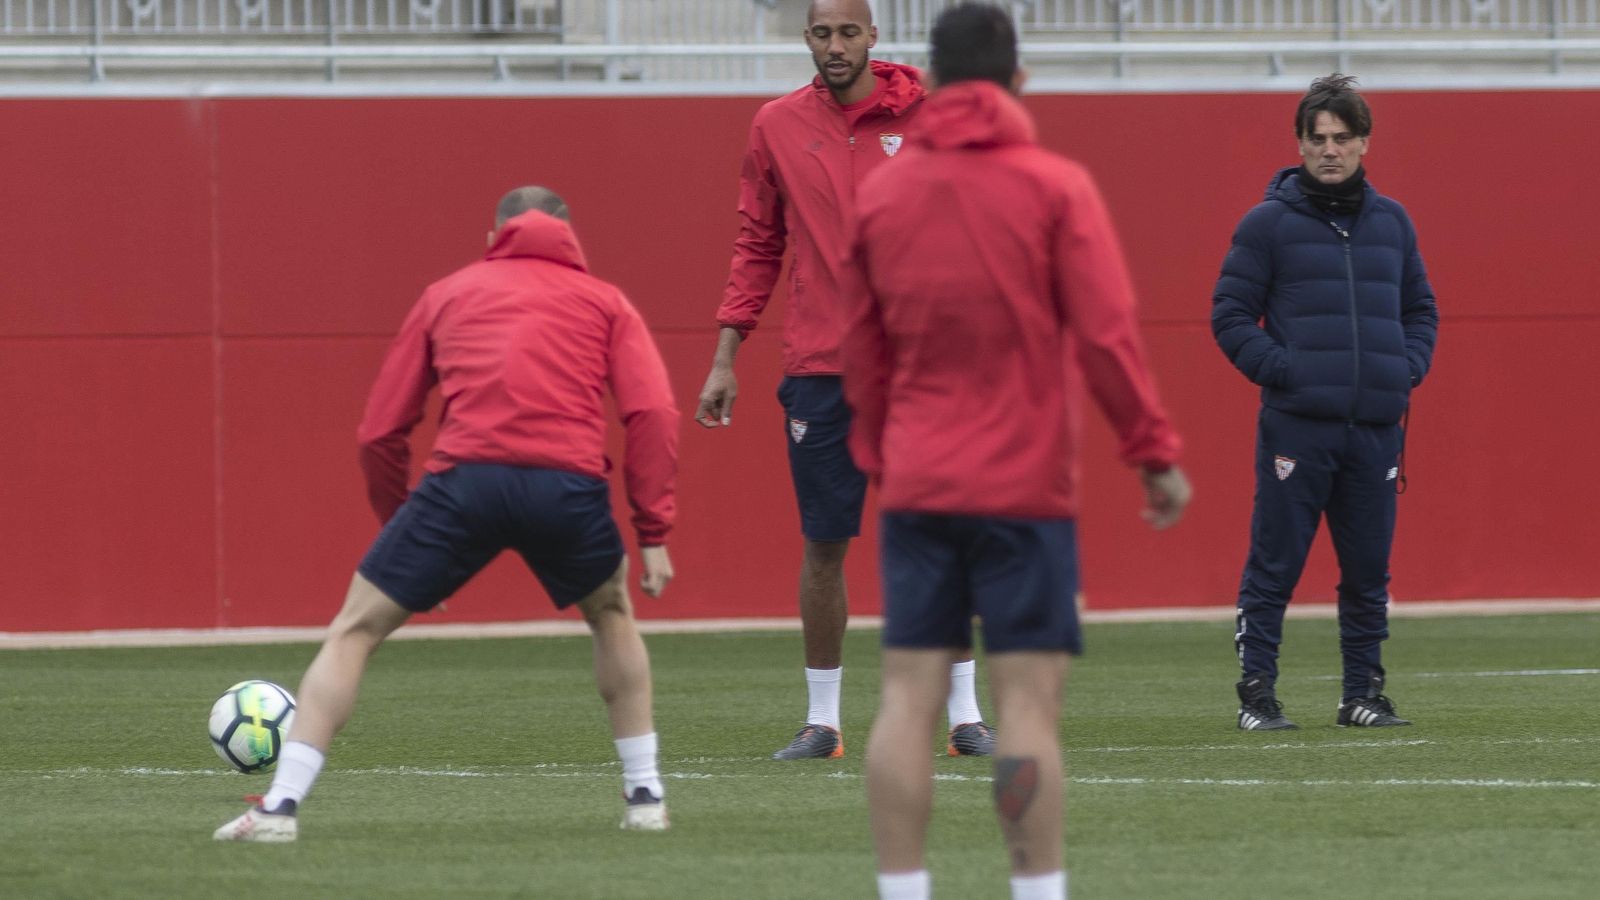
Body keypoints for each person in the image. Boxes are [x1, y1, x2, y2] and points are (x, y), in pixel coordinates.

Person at [841, 7, 1191, 900]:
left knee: (907, 702)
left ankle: (903, 890)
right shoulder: (1055, 186)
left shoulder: (881, 195)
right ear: (1020, 82)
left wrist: (886, 455)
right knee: (1028, 708)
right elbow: (1107, 336)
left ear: (928, 81)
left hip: (921, 484)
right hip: (1026, 491)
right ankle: (1036, 892)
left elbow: (861, 351)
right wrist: (1151, 452)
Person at [214, 186, 680, 841]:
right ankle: (645, 799)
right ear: (570, 233)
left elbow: (380, 430)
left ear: (495, 231)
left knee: (354, 629)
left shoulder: (450, 292)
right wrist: (652, 530)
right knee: (611, 613)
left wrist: (398, 532)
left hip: (466, 483)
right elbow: (652, 414)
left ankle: (279, 810)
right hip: (565, 486)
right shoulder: (606, 301)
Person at [694, 0, 994, 760]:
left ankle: (965, 716)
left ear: (872, 36)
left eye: (848, 32)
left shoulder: (934, 115)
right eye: (821, 33)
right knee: (824, 547)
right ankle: (822, 723)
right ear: (807, 39)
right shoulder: (776, 126)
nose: (835, 46)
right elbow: (757, 242)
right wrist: (727, 353)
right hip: (822, 368)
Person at [1213, 74, 1439, 731]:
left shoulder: (1393, 223)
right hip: (1297, 429)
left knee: (1368, 572)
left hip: (1375, 429)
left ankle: (1362, 694)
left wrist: (1407, 367)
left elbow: (1420, 308)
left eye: (1343, 138)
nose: (1330, 150)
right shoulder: (1267, 225)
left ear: (1365, 142)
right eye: (1318, 139)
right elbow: (1229, 314)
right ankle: (1257, 697)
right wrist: (1285, 372)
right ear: (1301, 144)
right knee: (1275, 565)